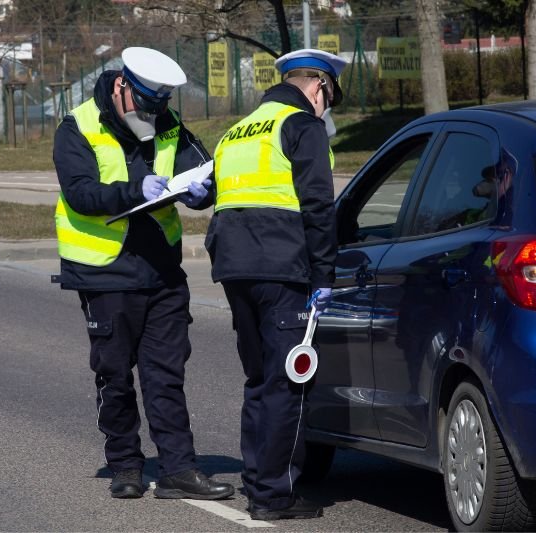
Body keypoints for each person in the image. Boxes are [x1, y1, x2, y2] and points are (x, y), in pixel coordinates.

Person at [52, 46, 232, 501]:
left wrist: (200, 192)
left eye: (162, 106)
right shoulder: (78, 126)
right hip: (105, 273)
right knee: (114, 375)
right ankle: (126, 465)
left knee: (165, 375)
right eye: (148, 105)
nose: (155, 116)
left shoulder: (167, 123)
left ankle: (178, 469)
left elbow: (202, 171)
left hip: (161, 271)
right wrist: (135, 190)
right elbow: (80, 194)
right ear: (123, 88)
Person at [204, 48, 347, 520]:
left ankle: (256, 482)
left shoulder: (236, 132)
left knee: (259, 379)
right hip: (282, 269)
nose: (326, 109)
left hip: (234, 268)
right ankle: (274, 496)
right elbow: (318, 209)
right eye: (328, 98)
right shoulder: (301, 126)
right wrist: (324, 275)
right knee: (288, 383)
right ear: (318, 87)